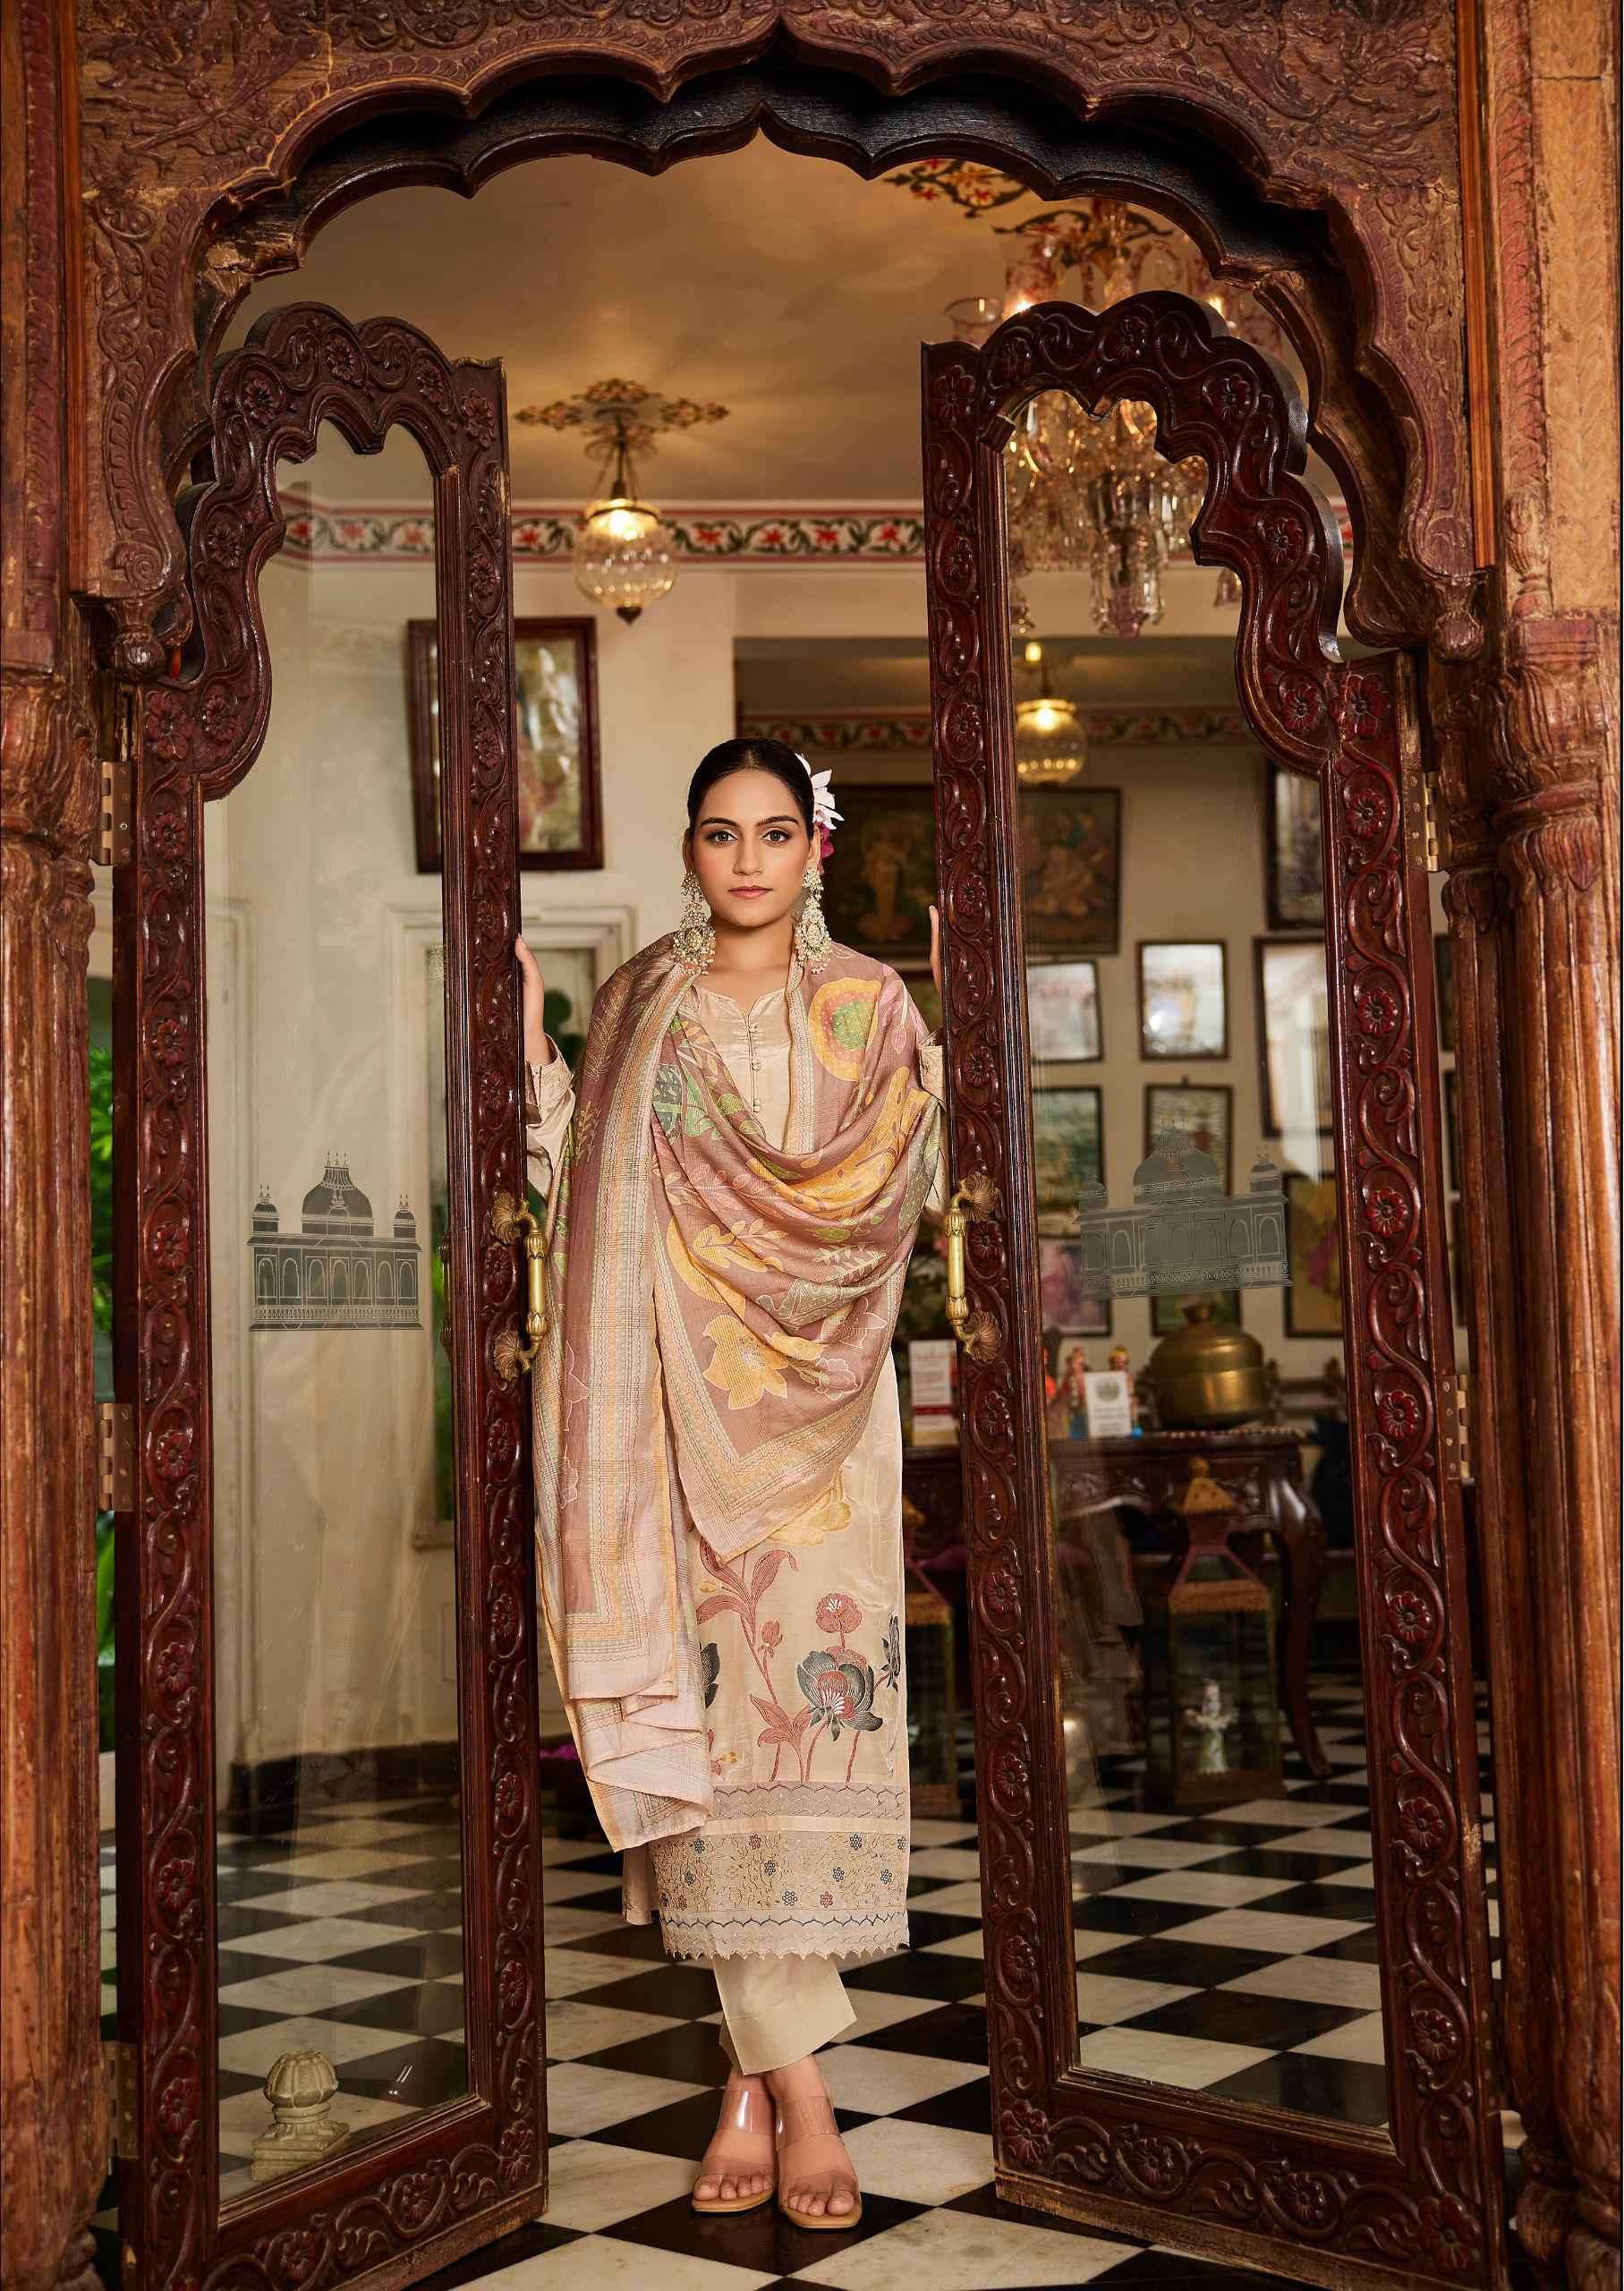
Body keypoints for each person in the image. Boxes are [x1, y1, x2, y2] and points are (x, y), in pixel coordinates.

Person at [514, 737, 948, 2232]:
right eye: (720, 832)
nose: (747, 859)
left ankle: (753, 2088)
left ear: (815, 848)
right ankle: (799, 2094)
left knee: (795, 1733)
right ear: (690, 848)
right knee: (707, 1763)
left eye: (774, 832)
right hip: (671, 1423)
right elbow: (583, 1191)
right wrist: (534, 1051)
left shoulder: (868, 1007)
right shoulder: (643, 1001)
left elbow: (891, 1202)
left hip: (822, 1435)